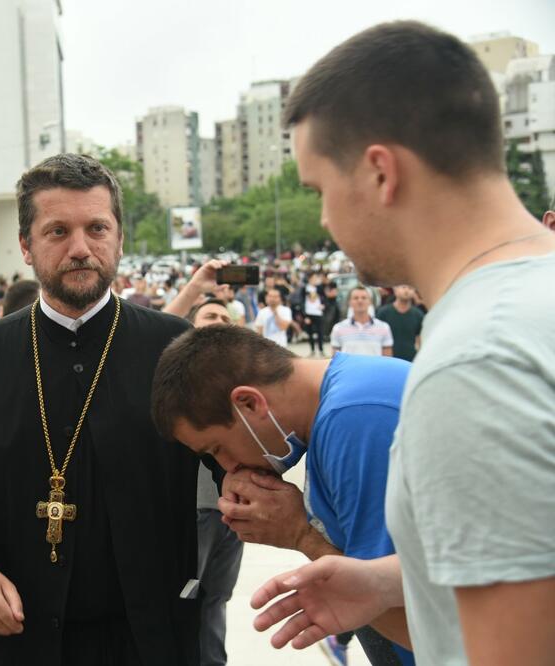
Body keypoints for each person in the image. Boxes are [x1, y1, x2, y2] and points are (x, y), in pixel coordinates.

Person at [249, 21, 555, 666]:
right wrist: (392, 580)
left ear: (380, 173)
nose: (326, 220)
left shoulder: (476, 363)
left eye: (320, 191)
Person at [0, 154, 200, 665]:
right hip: (23, 635)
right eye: (57, 231)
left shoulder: (176, 349)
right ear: (27, 247)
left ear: (119, 239)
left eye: (97, 228)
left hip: (151, 640)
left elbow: (233, 468)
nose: (80, 248)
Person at [151, 325, 415, 666]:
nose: (227, 466)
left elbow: (419, 623)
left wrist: (299, 533)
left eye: (217, 449)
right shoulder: (343, 400)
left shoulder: (353, 421)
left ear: (249, 402)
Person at [183, 303, 242, 666]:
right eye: (209, 317)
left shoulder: (244, 376)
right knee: (185, 596)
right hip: (196, 508)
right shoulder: (177, 375)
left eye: (225, 318)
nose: (219, 323)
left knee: (217, 598)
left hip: (231, 510)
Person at [329, 287, 393, 356]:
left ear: (370, 301)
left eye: (364, 298)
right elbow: (335, 361)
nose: (360, 301)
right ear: (349, 302)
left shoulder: (384, 327)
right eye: (356, 298)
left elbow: (387, 359)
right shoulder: (338, 328)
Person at [375, 285, 423, 361]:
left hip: (411, 361)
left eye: (410, 288)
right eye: (403, 287)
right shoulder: (383, 313)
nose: (406, 291)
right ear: (395, 289)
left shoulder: (418, 315)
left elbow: (419, 340)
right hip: (388, 360)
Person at [302, 285, 325, 356]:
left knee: (320, 333)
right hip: (309, 315)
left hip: (318, 314)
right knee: (310, 333)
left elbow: (325, 301)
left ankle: (321, 350)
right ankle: (312, 350)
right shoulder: (305, 293)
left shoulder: (320, 293)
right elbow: (302, 305)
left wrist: (323, 306)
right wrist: (305, 316)